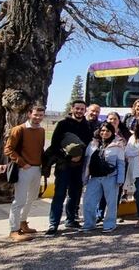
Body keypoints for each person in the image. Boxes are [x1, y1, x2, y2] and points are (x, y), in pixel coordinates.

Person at [46, 99, 93, 235]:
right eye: (77, 108)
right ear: (72, 109)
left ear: (85, 111)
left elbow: (90, 145)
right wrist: (69, 157)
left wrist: (80, 157)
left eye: (82, 109)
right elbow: (55, 145)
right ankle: (53, 223)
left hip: (80, 166)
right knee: (59, 194)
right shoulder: (62, 124)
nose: (79, 111)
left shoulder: (87, 126)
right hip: (64, 165)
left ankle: (71, 219)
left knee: (75, 194)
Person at [4, 104, 46, 242]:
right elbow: (8, 149)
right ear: (29, 114)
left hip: (37, 168)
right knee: (20, 200)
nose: (38, 118)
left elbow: (40, 150)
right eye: (35, 115)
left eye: (40, 115)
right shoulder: (19, 129)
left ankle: (23, 222)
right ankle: (14, 230)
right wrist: (22, 163)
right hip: (24, 169)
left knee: (32, 198)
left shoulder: (41, 131)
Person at [81, 122, 126, 233]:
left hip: (111, 177)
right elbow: (87, 162)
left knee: (111, 203)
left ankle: (110, 224)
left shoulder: (118, 145)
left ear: (112, 132)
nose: (104, 133)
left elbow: (121, 163)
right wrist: (84, 177)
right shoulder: (93, 144)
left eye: (107, 131)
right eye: (102, 130)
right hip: (95, 177)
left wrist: (120, 179)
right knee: (88, 201)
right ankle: (89, 224)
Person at [96, 111, 132, 224]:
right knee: (101, 191)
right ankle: (99, 214)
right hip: (103, 166)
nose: (113, 121)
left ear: (119, 120)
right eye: (110, 119)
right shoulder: (100, 132)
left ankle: (112, 214)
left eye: (115, 119)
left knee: (117, 190)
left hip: (121, 164)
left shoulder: (124, 133)